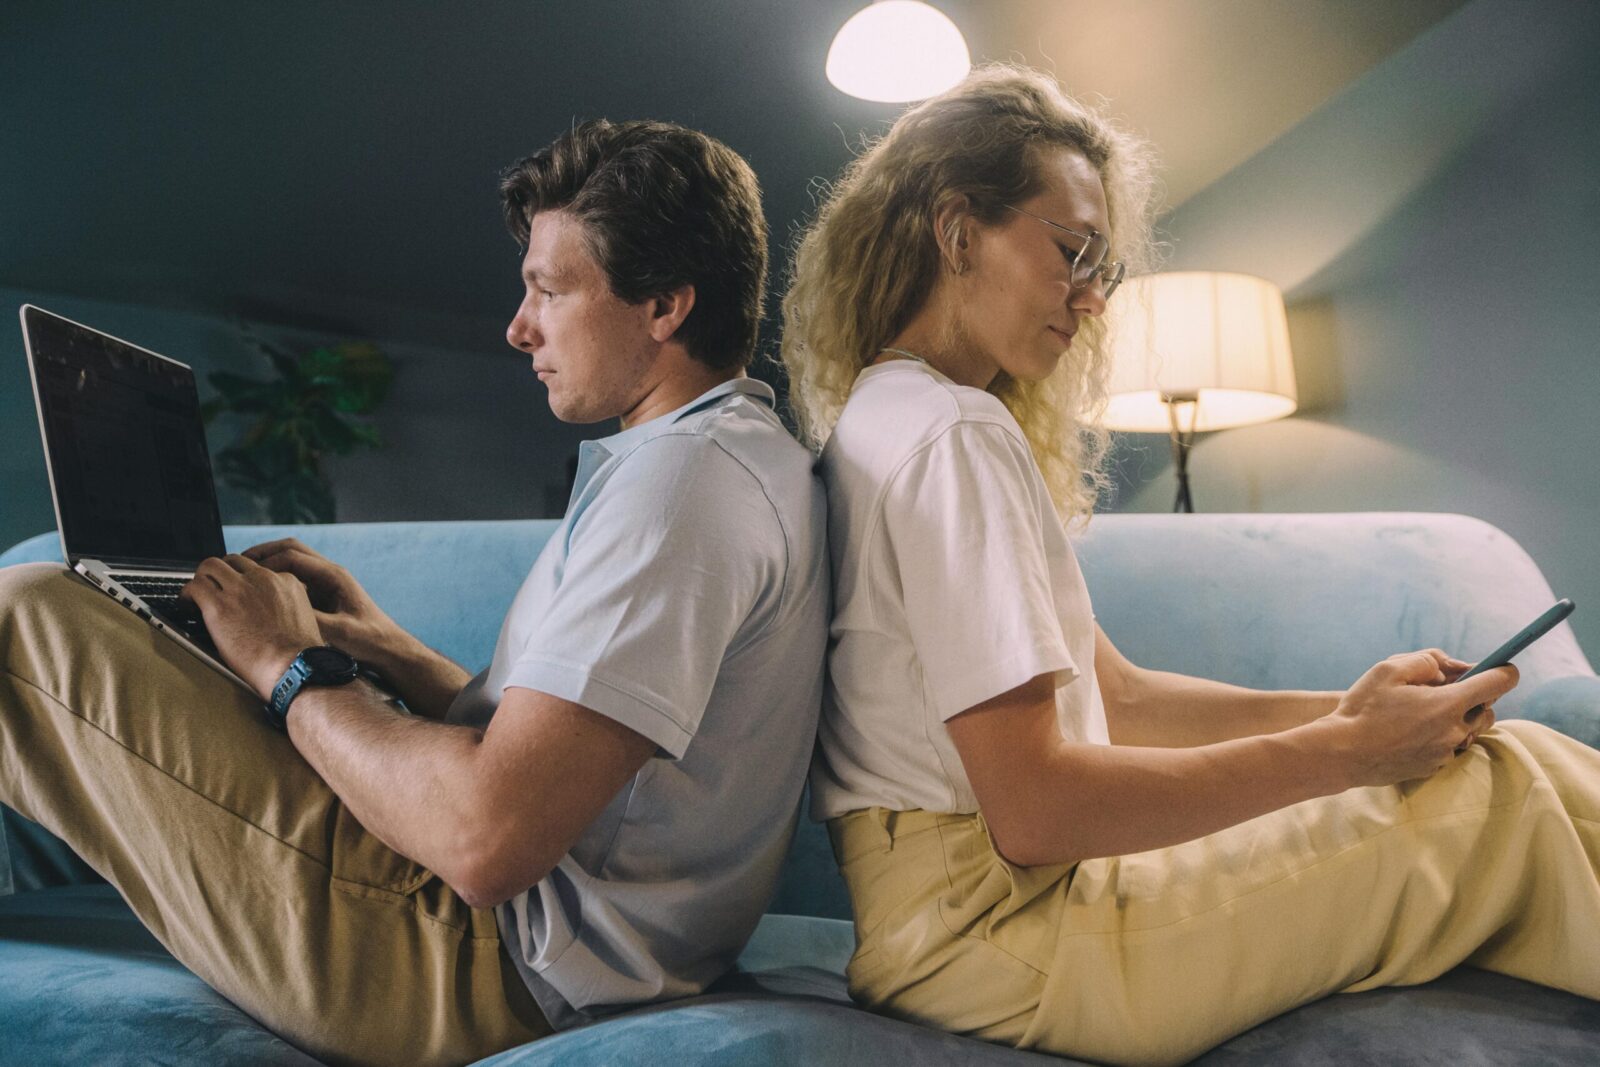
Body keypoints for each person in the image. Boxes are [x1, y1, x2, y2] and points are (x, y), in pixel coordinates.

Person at [779, 64, 1600, 1067]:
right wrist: (1351, 754)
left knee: (1524, 762)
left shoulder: (894, 412)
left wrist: (1350, 713)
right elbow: (1035, 810)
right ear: (957, 232)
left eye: (1100, 271)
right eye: (1071, 252)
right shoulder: (949, 434)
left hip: (961, 928)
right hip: (1008, 941)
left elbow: (1114, 696)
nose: (1088, 300)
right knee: (1502, 792)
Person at [0, 118, 828, 1067]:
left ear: (665, 306)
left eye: (549, 291)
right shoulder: (738, 460)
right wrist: (380, 646)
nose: (518, 327)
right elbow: (567, 760)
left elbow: (485, 839)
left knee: (25, 617)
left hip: (473, 968)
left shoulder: (680, 489)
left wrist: (288, 661)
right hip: (559, 954)